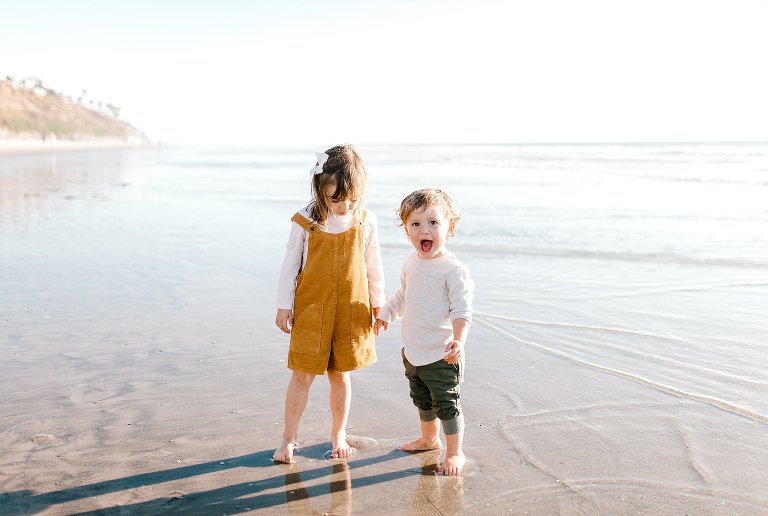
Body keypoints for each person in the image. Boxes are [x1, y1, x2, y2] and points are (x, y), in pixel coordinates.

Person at [274, 144, 385, 463]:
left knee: (340, 374)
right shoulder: (306, 220)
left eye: (351, 199)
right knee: (302, 374)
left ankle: (338, 433)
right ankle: (288, 438)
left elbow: (373, 264)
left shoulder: (365, 220)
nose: (344, 206)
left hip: (351, 309)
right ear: (321, 189)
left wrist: (378, 303)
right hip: (312, 308)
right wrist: (284, 305)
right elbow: (290, 265)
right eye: (336, 199)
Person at [374, 188, 474, 476]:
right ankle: (430, 440)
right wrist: (386, 315)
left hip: (443, 354)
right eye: (415, 224)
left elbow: (462, 310)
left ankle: (455, 452)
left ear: (450, 228)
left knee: (446, 404)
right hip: (413, 351)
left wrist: (459, 340)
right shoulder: (411, 262)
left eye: (433, 223)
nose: (424, 230)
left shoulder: (453, 270)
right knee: (422, 399)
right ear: (407, 231)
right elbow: (404, 295)